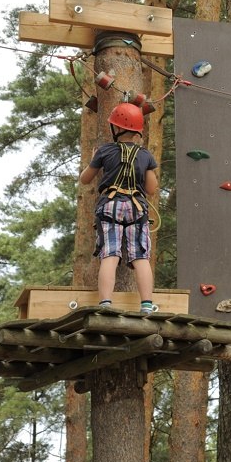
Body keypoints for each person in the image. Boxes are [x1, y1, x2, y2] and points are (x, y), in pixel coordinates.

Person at [79, 102, 159, 315]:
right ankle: (147, 305)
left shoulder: (105, 151)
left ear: (117, 128)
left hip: (110, 206)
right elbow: (151, 188)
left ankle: (105, 302)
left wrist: (93, 159)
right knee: (141, 257)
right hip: (137, 208)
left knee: (110, 254)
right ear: (136, 130)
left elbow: (85, 179)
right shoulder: (145, 155)